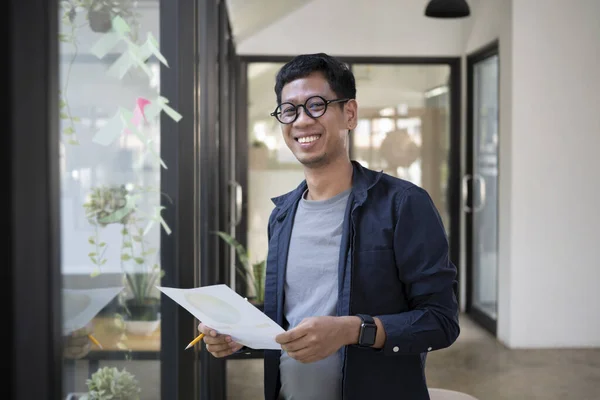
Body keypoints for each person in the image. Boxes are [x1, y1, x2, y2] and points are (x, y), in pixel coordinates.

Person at [199, 53, 460, 400]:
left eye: (316, 105)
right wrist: (236, 335)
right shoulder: (283, 215)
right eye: (289, 110)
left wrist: (351, 330)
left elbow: (440, 321)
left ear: (349, 114)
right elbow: (291, 321)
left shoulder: (403, 204)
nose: (301, 121)